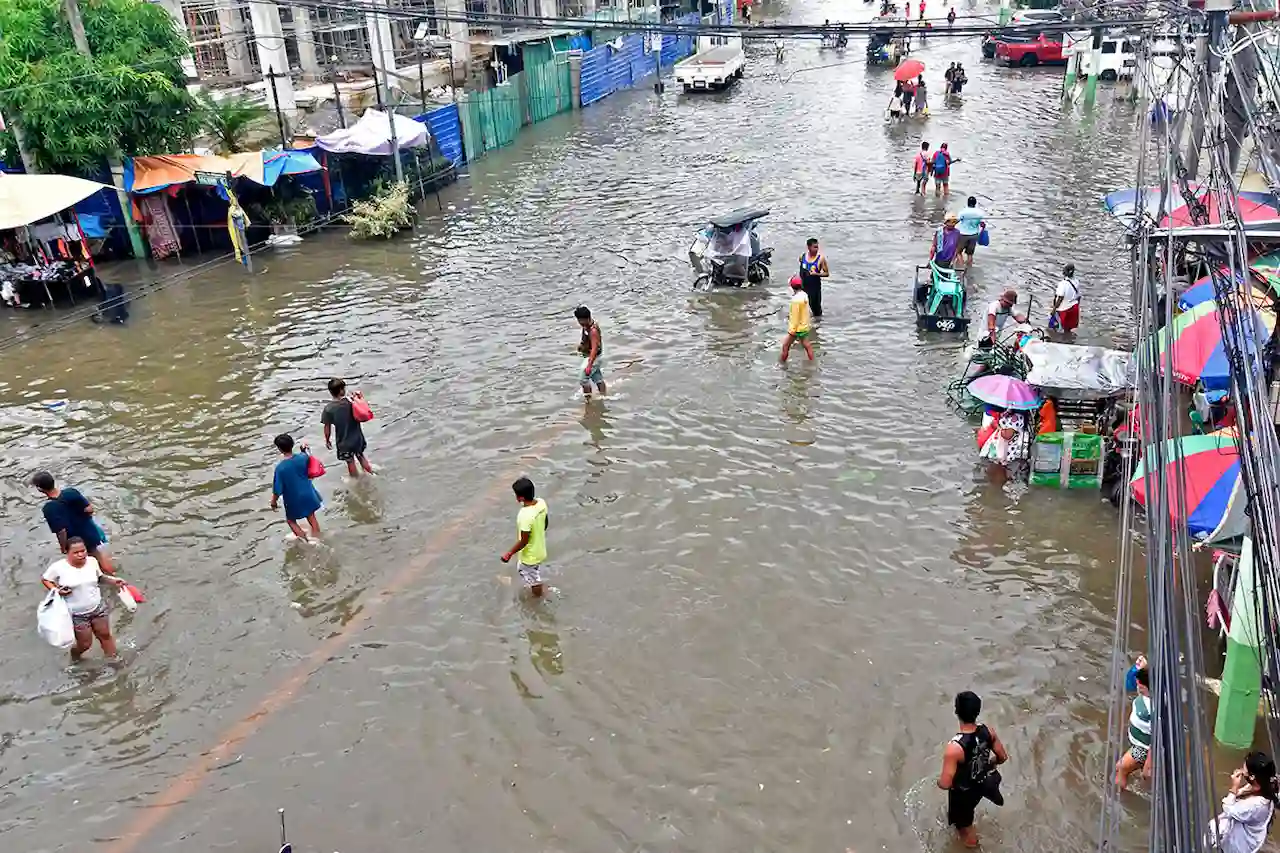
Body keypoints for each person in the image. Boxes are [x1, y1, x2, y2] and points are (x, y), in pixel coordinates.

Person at [938, 691, 1008, 848]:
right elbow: (1002, 757)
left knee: (965, 829)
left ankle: (973, 846)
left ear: (956, 712)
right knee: (963, 817)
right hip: (982, 783)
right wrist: (990, 763)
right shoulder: (987, 731)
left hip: (963, 794)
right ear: (977, 711)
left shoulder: (954, 748)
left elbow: (945, 783)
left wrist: (938, 781)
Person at [41, 536, 127, 661]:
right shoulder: (58, 567)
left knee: (105, 635)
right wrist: (56, 590)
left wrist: (114, 581)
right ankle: (75, 657)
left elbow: (100, 578)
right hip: (77, 614)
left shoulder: (92, 561)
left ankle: (115, 661)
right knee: (85, 644)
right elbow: (46, 579)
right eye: (76, 552)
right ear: (67, 553)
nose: (81, 554)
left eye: (83, 551)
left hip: (97, 607)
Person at [31, 471, 115, 575]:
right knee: (97, 555)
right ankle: (111, 577)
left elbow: (61, 531)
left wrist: (63, 547)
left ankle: (114, 580)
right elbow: (89, 509)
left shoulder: (49, 508)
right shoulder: (71, 492)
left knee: (89, 561)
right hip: (90, 531)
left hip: (75, 541)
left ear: (40, 489)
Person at [1215, 752, 1279, 853]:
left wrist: (1234, 787)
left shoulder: (1256, 805)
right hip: (1255, 830)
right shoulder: (1265, 782)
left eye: (1244, 768)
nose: (1241, 769)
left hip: (1243, 843)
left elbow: (1227, 808)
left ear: (1252, 776)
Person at [500, 476, 549, 597]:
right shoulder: (541, 503)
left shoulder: (524, 515)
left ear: (520, 497)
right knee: (532, 572)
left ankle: (539, 596)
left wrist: (509, 553)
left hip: (530, 556)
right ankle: (535, 584)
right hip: (540, 549)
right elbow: (545, 523)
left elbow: (524, 541)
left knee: (530, 576)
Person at [270, 433, 323, 542]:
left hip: (293, 499)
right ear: (292, 444)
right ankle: (318, 539)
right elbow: (309, 460)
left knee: (291, 521)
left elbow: (277, 489)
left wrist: (273, 502)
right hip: (309, 493)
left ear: (279, 449)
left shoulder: (280, 468)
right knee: (311, 517)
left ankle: (306, 542)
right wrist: (304, 450)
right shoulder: (303, 458)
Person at [322, 378, 375, 477]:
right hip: (357, 438)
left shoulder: (328, 409)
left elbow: (327, 427)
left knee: (350, 462)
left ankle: (356, 481)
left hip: (344, 442)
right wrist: (358, 397)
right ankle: (371, 474)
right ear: (342, 390)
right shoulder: (351, 402)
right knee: (361, 456)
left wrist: (327, 440)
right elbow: (363, 409)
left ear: (330, 392)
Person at [1115, 664, 1152, 791]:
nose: (1137, 685)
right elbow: (1129, 684)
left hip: (1144, 748)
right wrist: (1140, 667)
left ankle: (1121, 796)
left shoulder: (1153, 708)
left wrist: (1149, 763)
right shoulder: (1148, 693)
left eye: (1139, 683)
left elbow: (1157, 738)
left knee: (1120, 768)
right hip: (1138, 742)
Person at [574, 305, 607, 401]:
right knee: (597, 377)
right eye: (579, 320)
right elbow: (584, 339)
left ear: (588, 318)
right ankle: (603, 395)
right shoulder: (586, 326)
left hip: (594, 357)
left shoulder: (593, 331)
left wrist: (589, 365)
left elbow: (594, 349)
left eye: (582, 321)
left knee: (583, 379)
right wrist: (581, 346)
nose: (580, 323)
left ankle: (588, 400)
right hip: (592, 356)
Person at [781, 276, 815, 363]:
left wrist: (792, 331)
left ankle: (782, 364)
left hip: (797, 328)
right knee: (807, 346)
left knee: (785, 346)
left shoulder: (795, 300)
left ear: (792, 287)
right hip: (804, 325)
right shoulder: (804, 295)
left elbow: (795, 318)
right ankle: (812, 361)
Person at [798, 238, 830, 318]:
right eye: (814, 247)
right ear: (808, 247)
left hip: (814, 288)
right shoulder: (802, 256)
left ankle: (818, 325)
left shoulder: (821, 259)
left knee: (816, 309)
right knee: (801, 306)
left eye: (817, 247)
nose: (817, 249)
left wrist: (816, 274)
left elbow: (827, 273)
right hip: (803, 286)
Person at [1049, 263, 1082, 332]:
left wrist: (1054, 310)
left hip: (1064, 309)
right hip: (1074, 308)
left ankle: (1059, 340)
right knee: (1068, 328)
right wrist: (1077, 306)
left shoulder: (1062, 284)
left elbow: (1060, 298)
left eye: (1064, 270)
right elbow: (1079, 297)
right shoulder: (1077, 281)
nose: (1062, 271)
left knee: (1055, 328)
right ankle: (1068, 340)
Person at [955, 196, 985, 269]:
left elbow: (957, 221)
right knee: (970, 254)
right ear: (975, 203)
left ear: (967, 203)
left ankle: (962, 268)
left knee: (958, 252)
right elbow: (982, 224)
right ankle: (969, 268)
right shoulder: (979, 213)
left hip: (963, 234)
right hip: (974, 235)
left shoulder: (963, 211)